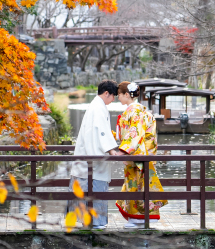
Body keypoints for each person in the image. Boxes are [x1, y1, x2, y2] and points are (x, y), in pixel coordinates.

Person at [68, 80, 122, 230]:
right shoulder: (98, 108)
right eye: (113, 96)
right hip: (93, 159)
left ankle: (84, 219)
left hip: (87, 154)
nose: (113, 100)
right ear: (106, 93)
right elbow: (101, 131)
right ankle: (96, 221)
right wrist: (111, 150)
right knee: (95, 186)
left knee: (85, 186)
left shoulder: (95, 105)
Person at [115, 81, 167, 228]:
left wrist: (123, 150)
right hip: (141, 153)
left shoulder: (135, 111)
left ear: (126, 94)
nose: (118, 97)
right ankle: (142, 218)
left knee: (136, 186)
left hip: (137, 154)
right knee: (140, 186)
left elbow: (134, 134)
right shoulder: (140, 109)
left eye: (119, 94)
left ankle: (137, 219)